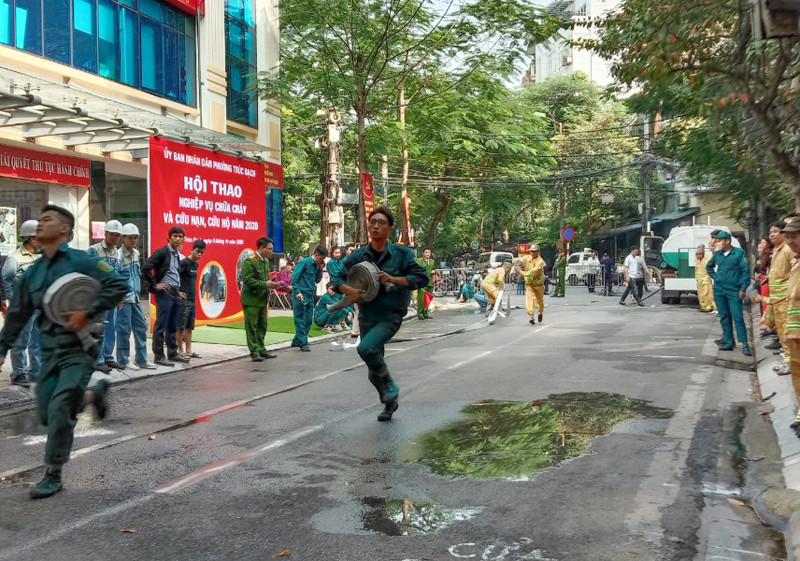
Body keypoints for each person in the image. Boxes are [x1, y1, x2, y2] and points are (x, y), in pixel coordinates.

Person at [0, 205, 127, 498]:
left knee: (60, 408)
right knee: (46, 411)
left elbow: (117, 284)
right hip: (49, 351)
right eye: (39, 220)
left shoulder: (82, 260)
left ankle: (53, 473)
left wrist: (88, 311)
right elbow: (17, 314)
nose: (40, 224)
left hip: (79, 347)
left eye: (47, 220)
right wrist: (2, 348)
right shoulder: (33, 273)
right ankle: (92, 396)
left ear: (64, 229)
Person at [331, 206, 428, 422]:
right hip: (367, 315)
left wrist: (395, 279)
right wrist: (348, 290)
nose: (375, 226)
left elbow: (422, 278)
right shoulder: (358, 256)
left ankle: (390, 385)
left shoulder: (402, 255)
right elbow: (336, 280)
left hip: (390, 315)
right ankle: (389, 402)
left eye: (381, 223)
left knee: (366, 348)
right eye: (372, 222)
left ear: (390, 229)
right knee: (373, 367)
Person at [1, 219, 41, 386]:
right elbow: (6, 281)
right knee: (20, 340)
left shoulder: (41, 256)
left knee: (37, 340)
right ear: (33, 238)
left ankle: (36, 371)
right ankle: (18, 373)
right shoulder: (14, 258)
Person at [143, 226, 190, 367]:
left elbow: (173, 273)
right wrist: (155, 284)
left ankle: (173, 353)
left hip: (174, 292)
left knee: (172, 325)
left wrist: (178, 291)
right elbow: (146, 267)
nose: (178, 239)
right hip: (164, 293)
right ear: (169, 237)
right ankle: (159, 356)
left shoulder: (177, 254)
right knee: (161, 325)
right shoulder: (162, 252)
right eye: (175, 236)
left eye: (180, 237)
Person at [116, 223, 156, 371]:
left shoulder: (136, 254)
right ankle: (123, 361)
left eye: (135, 237)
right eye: (130, 237)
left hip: (136, 298)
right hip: (124, 300)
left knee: (140, 328)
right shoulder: (118, 256)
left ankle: (141, 359)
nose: (133, 240)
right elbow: (117, 278)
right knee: (124, 330)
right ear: (123, 238)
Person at [86, 219, 123, 373]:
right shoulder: (94, 250)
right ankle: (98, 360)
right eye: (112, 234)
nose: (114, 238)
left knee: (111, 328)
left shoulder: (117, 253)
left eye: (117, 235)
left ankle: (108, 357)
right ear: (105, 234)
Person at [706, 230, 751, 356]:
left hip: (734, 290)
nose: (717, 243)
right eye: (716, 241)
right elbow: (709, 266)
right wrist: (716, 277)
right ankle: (729, 341)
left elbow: (745, 271)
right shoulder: (718, 254)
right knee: (724, 317)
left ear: (727, 241)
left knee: (738, 317)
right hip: (719, 290)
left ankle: (745, 344)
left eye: (719, 241)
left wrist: (743, 288)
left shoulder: (739, 253)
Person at [756, 221, 793, 373]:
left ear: (784, 233)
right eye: (770, 232)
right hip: (776, 299)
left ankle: (791, 362)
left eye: (775, 231)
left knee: (787, 331)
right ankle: (787, 360)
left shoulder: (788, 250)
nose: (772, 235)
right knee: (779, 329)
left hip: (785, 299)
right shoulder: (776, 250)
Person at [241, 236, 279, 362]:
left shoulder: (265, 261)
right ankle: (254, 351)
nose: (271, 252)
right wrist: (265, 284)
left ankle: (261, 349)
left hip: (262, 299)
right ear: (262, 248)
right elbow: (248, 280)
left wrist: (270, 282)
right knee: (251, 327)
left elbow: (264, 278)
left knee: (262, 326)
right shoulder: (249, 262)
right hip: (251, 300)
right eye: (269, 249)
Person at [779, 219, 800, 435]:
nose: (790, 241)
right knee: (797, 375)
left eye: (794, 237)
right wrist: (787, 331)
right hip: (795, 333)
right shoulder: (796, 263)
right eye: (788, 237)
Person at [291, 245, 327, 351]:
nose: (323, 260)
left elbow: (317, 280)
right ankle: (303, 342)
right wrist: (297, 291)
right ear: (317, 255)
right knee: (300, 319)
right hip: (301, 294)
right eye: (322, 258)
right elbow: (294, 278)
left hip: (310, 294)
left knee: (308, 320)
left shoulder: (316, 266)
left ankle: (297, 341)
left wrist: (320, 269)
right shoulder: (304, 262)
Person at [178, 239, 206, 359]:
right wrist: (177, 292)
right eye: (197, 251)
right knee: (180, 327)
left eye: (202, 252)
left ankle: (189, 351)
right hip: (182, 300)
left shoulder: (196, 264)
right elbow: (174, 275)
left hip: (192, 299)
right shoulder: (184, 262)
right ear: (192, 249)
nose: (199, 254)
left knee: (189, 327)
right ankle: (180, 351)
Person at [520, 244, 546, 325]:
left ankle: (540, 312)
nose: (532, 253)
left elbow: (532, 273)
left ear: (538, 252)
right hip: (529, 283)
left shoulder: (540, 262)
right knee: (529, 298)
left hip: (538, 284)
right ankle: (531, 316)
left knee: (539, 300)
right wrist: (517, 263)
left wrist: (520, 272)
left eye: (534, 251)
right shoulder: (527, 258)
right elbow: (518, 260)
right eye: (531, 251)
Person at [695, 245, 716, 313]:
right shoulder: (698, 261)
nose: (697, 256)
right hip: (700, 280)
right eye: (696, 254)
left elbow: (713, 261)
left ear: (702, 254)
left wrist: (708, 277)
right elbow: (697, 270)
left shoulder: (707, 259)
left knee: (708, 294)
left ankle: (710, 306)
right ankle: (704, 306)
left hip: (706, 280)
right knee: (701, 295)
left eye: (698, 254)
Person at [416, 248, 436, 320]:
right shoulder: (419, 261)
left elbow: (434, 269)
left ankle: (425, 313)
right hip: (422, 282)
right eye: (426, 252)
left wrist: (434, 272)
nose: (427, 254)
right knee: (421, 298)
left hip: (430, 282)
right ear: (423, 253)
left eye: (429, 252)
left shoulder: (432, 261)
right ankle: (420, 313)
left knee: (428, 298)